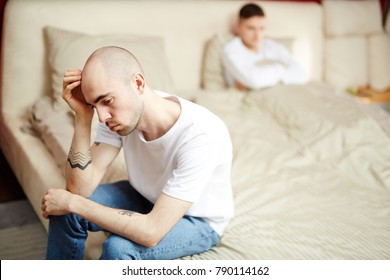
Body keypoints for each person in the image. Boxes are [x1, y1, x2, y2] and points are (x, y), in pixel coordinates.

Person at [40, 46, 234, 260]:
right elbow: (78, 189)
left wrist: (72, 203)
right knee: (66, 212)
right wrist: (82, 116)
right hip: (144, 196)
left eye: (106, 101)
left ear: (138, 83)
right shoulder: (116, 118)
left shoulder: (201, 134)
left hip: (197, 220)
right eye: (94, 106)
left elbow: (151, 232)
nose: (102, 117)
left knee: (117, 247)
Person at [222, 3, 308, 91]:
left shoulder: (271, 45)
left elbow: (302, 75)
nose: (257, 35)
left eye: (261, 28)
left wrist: (259, 81)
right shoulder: (232, 50)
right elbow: (255, 81)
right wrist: (282, 67)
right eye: (251, 28)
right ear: (238, 27)